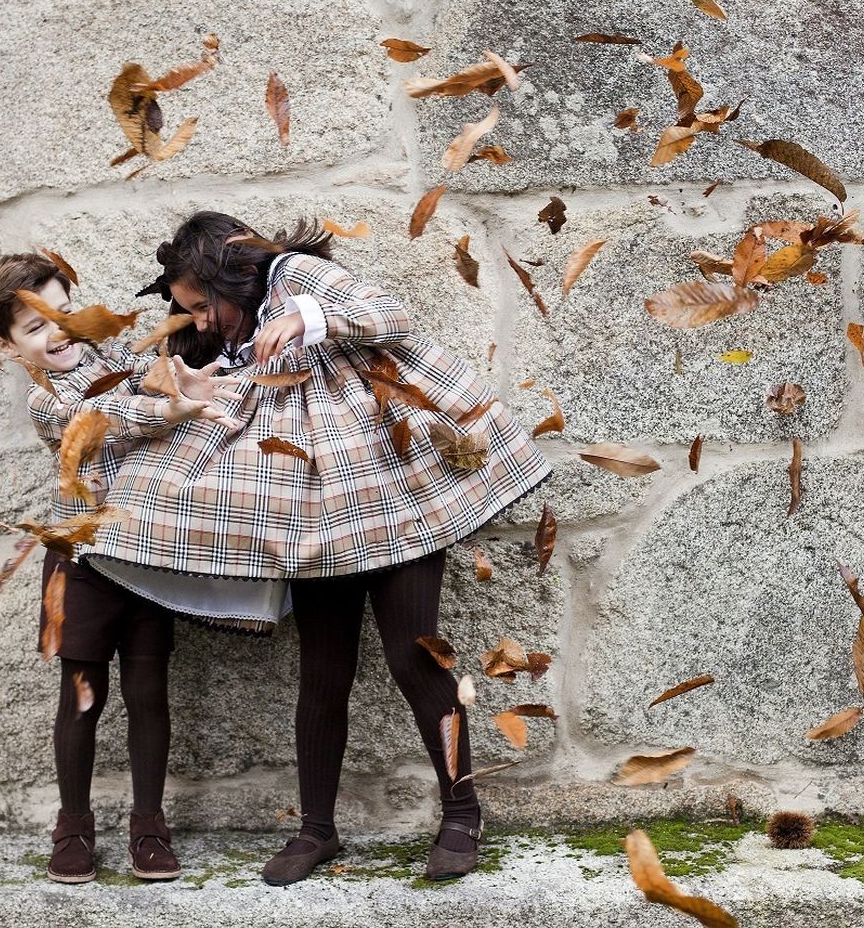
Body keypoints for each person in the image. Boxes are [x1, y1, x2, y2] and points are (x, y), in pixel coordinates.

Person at [82, 212, 553, 884]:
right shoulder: (232, 335)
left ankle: (461, 813)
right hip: (317, 520)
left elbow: (391, 313)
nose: (200, 319)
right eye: (185, 310)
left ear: (230, 273)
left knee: (412, 658)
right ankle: (317, 831)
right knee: (322, 673)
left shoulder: (291, 275)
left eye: (199, 303)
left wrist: (307, 316)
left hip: (394, 504)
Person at [0, 252, 285, 885]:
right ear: (7, 348)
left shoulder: (122, 365)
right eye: (35, 328)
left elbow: (157, 376)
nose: (55, 333)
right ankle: (73, 825)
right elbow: (102, 424)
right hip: (80, 558)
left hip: (147, 555)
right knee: (80, 696)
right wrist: (173, 408)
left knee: (148, 693)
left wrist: (186, 384)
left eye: (62, 314)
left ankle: (149, 824)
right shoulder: (44, 401)